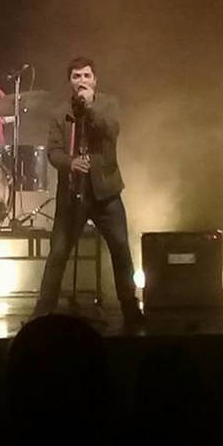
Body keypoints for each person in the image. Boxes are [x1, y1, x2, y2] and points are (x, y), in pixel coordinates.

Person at [32, 56, 143, 328]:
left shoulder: (108, 104)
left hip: (105, 192)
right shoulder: (60, 112)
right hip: (72, 194)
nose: (82, 81)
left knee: (120, 249)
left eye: (86, 76)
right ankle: (42, 313)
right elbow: (53, 151)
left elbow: (110, 132)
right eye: (76, 76)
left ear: (95, 79)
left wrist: (90, 106)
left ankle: (130, 309)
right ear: (70, 81)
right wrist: (70, 163)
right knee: (58, 251)